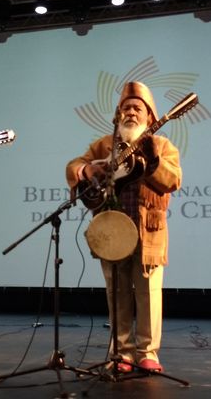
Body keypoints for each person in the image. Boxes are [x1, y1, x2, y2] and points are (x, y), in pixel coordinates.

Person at [65, 81, 182, 373]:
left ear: (150, 116)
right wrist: (87, 169)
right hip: (112, 229)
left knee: (148, 292)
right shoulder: (104, 145)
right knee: (116, 292)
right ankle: (121, 352)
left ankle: (147, 352)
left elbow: (173, 180)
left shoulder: (162, 145)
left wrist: (153, 161)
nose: (131, 112)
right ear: (118, 115)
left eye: (137, 108)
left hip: (148, 231)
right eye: (126, 108)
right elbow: (73, 166)